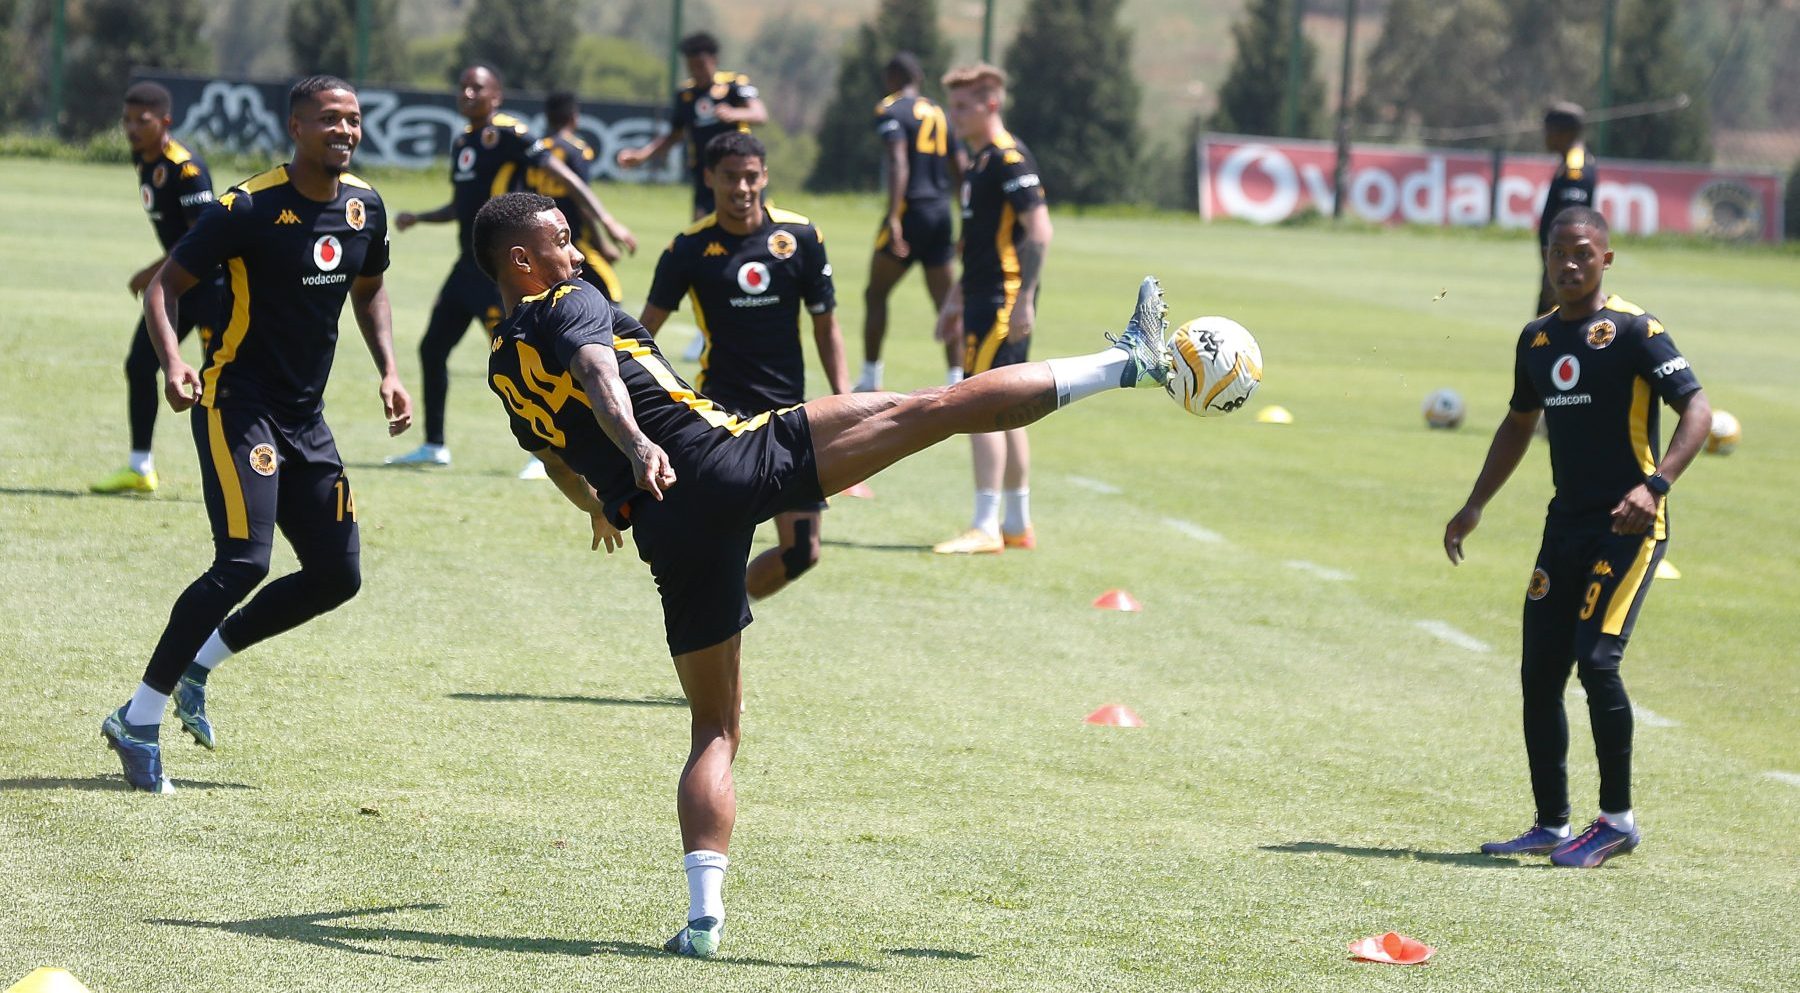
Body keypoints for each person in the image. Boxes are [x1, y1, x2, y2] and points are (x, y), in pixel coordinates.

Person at [473, 190, 1175, 955]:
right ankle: (1125, 363)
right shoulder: (570, 300)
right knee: (931, 406)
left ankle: (704, 920)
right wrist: (640, 442)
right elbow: (598, 370)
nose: (575, 256)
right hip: (720, 459)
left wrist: (599, 503)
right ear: (522, 260)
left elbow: (553, 455)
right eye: (562, 242)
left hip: (666, 525)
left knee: (714, 728)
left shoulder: (502, 364)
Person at [101, 76, 414, 793]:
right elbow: (164, 287)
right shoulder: (248, 206)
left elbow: (370, 289)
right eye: (330, 118)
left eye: (354, 119)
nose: (345, 129)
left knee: (338, 574)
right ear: (297, 125)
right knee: (244, 558)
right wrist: (175, 361)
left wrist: (390, 369)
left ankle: (202, 664)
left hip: (307, 417)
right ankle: (138, 718)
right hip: (237, 404)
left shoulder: (365, 208)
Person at [1445, 207, 1710, 868]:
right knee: (1539, 673)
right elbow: (1516, 424)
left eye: (1583, 253)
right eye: (1559, 252)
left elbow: (1698, 410)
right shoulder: (1536, 340)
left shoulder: (1633, 331)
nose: (1569, 265)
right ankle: (1551, 823)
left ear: (1606, 259)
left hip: (1629, 526)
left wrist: (1656, 485)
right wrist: (1475, 503)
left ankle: (1616, 820)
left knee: (1597, 661)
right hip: (1564, 525)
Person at [386, 64, 631, 468]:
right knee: (433, 348)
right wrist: (421, 218)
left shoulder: (508, 134)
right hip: (467, 267)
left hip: (500, 271)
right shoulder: (463, 141)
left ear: (496, 96)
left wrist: (607, 221)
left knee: (527, 361)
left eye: (477, 88)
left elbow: (565, 177)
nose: (467, 93)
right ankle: (434, 445)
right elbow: (461, 205)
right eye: (463, 86)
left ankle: (556, 452)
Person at [639, 132, 849, 600]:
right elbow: (643, 334)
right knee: (720, 539)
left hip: (789, 417)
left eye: (751, 177)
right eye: (730, 177)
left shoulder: (800, 239)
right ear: (709, 178)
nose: (741, 188)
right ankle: (712, 623)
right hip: (720, 415)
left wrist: (843, 397)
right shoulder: (687, 250)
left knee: (803, 551)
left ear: (765, 177)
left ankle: (728, 607)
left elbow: (826, 328)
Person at [931, 64, 1052, 555]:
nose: (953, 116)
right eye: (952, 105)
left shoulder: (1008, 160)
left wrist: (1023, 300)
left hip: (1001, 303)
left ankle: (984, 525)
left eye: (963, 107)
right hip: (982, 298)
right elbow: (979, 243)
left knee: (977, 405)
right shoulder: (979, 162)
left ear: (992, 105)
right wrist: (955, 300)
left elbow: (1040, 231)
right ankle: (1017, 525)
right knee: (1011, 410)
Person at [92, 82, 221, 494]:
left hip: (212, 287)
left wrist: (151, 271)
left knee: (225, 381)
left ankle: (246, 469)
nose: (131, 128)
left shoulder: (187, 169)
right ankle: (140, 467)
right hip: (180, 285)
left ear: (165, 122)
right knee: (139, 365)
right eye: (127, 120)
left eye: (141, 121)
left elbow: (206, 238)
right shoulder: (144, 159)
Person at [855, 52, 960, 393]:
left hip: (910, 212)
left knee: (876, 294)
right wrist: (968, 216)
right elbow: (960, 166)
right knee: (946, 302)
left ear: (893, 77)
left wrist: (893, 215)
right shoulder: (942, 112)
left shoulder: (890, 109)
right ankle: (957, 381)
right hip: (940, 214)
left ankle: (871, 379)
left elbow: (898, 162)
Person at [616, 32, 768, 222]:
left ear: (714, 60)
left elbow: (760, 114)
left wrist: (734, 113)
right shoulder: (685, 95)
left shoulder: (734, 85)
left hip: (739, 172)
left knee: (751, 223)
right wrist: (642, 155)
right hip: (707, 174)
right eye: (691, 67)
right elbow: (674, 135)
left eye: (701, 65)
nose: (697, 72)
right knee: (702, 228)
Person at [529, 90, 630, 305]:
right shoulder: (577, 150)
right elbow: (581, 200)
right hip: (573, 239)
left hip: (538, 237)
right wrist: (601, 243)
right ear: (574, 116)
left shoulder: (537, 150)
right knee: (611, 294)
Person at [1535, 102, 1598, 315]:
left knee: (1547, 338)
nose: (1545, 136)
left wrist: (1561, 271)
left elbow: (1572, 224)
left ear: (1562, 132)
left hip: (1565, 269)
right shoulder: (1570, 162)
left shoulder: (1575, 168)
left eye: (1548, 129)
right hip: (1561, 265)